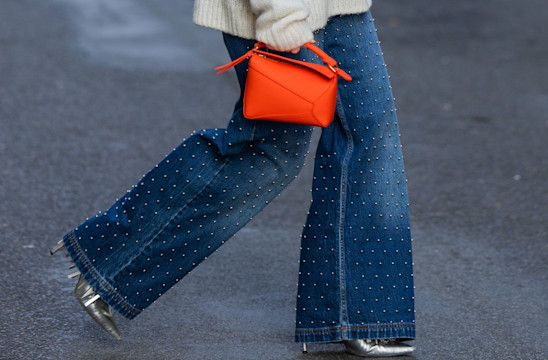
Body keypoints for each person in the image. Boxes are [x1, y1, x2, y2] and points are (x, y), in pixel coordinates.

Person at [51, 0, 416, 357]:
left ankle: (362, 318)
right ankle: (110, 258)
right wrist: (281, 14)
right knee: (265, 152)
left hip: (341, 8)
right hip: (281, 12)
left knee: (370, 138)